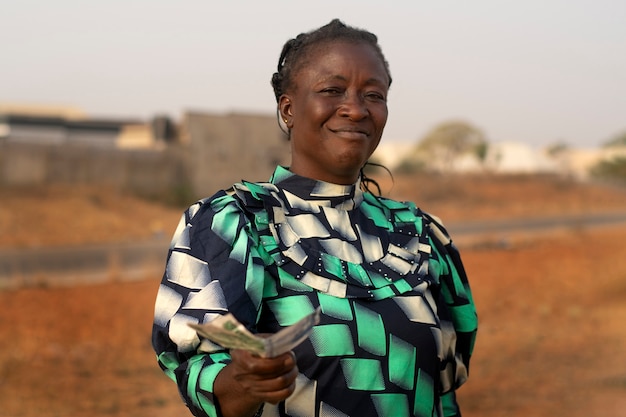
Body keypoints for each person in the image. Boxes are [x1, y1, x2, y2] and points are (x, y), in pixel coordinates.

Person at [152, 19, 477, 417]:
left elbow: (444, 388)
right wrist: (245, 379)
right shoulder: (236, 223)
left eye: (373, 94)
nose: (356, 109)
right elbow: (203, 375)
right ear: (288, 108)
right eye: (332, 90)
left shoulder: (422, 234)